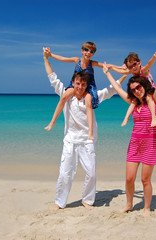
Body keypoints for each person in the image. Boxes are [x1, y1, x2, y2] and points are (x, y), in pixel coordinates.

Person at [43, 47, 127, 210]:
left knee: (91, 173)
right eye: (77, 84)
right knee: (65, 173)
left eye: (83, 84)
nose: (80, 87)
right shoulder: (66, 95)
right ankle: (59, 202)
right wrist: (47, 58)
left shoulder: (91, 97)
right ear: (73, 83)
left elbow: (110, 90)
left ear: (86, 85)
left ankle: (87, 200)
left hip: (88, 141)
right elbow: (52, 78)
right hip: (70, 140)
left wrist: (124, 74)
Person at [103, 46, 156, 216]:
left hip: (151, 143)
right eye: (133, 89)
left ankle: (147, 208)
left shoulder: (153, 99)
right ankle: (129, 204)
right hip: (135, 143)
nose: (136, 90)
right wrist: (107, 73)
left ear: (144, 85)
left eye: (139, 87)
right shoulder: (133, 102)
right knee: (129, 178)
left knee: (145, 179)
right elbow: (117, 89)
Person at [44, 42, 105, 140]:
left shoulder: (93, 63)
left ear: (93, 54)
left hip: (88, 87)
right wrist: (50, 55)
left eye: (92, 51)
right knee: (64, 97)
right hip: (76, 85)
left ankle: (90, 131)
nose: (88, 52)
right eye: (86, 50)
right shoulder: (77, 60)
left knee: (88, 102)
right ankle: (52, 122)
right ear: (82, 50)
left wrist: (123, 69)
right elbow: (63, 58)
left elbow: (109, 66)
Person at [110, 52, 156, 127]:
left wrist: (154, 57)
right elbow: (121, 71)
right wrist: (111, 68)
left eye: (134, 64)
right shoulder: (131, 71)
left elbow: (149, 64)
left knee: (148, 97)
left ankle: (153, 117)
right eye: (130, 67)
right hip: (141, 93)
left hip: (150, 90)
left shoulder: (143, 70)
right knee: (134, 101)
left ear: (139, 63)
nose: (133, 68)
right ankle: (126, 118)